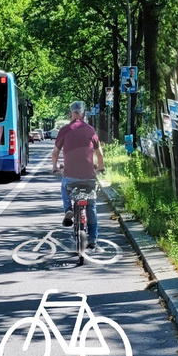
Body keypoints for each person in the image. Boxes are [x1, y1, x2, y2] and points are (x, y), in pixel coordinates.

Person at [52, 101, 104, 249]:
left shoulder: (64, 130)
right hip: (89, 177)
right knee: (91, 205)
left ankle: (68, 208)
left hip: (70, 176)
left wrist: (55, 167)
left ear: (71, 113)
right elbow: (99, 154)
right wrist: (100, 168)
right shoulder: (90, 130)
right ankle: (92, 238)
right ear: (83, 113)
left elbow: (55, 153)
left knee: (64, 188)